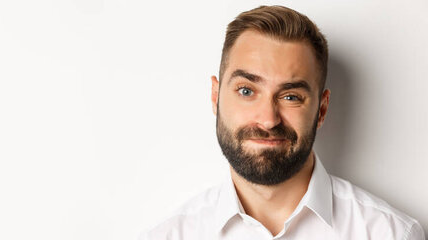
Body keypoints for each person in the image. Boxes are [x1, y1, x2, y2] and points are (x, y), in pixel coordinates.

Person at [139, 5, 425, 240]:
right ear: (215, 97)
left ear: (322, 109)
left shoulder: (390, 233)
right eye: (247, 91)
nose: (267, 119)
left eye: (290, 96)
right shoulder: (167, 236)